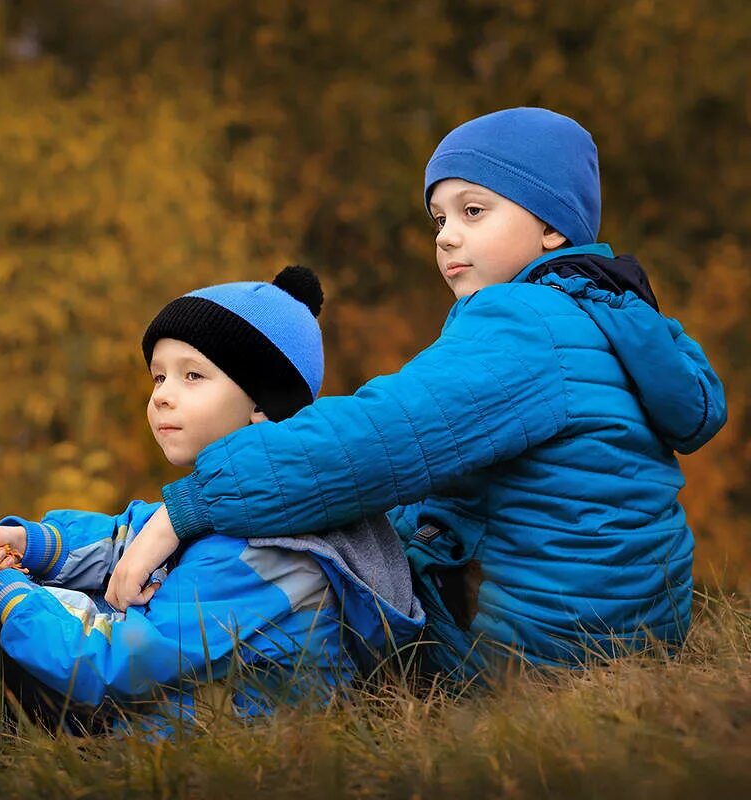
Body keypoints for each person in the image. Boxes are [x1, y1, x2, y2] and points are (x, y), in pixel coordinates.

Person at [105, 108, 727, 681]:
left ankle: (113, 670)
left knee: (297, 541)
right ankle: (69, 552)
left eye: (473, 211)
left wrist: (193, 504)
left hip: (518, 660)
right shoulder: (607, 322)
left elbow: (378, 441)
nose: (447, 237)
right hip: (618, 645)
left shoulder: (526, 326)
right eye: (440, 218)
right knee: (335, 511)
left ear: (551, 228)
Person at [0, 266, 424, 732]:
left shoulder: (265, 553)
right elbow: (130, 536)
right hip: (167, 716)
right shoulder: (223, 505)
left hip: (202, 752)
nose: (161, 394)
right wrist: (32, 545)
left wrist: (1, 587)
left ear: (263, 406)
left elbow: (113, 666)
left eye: (193, 375)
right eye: (159, 375)